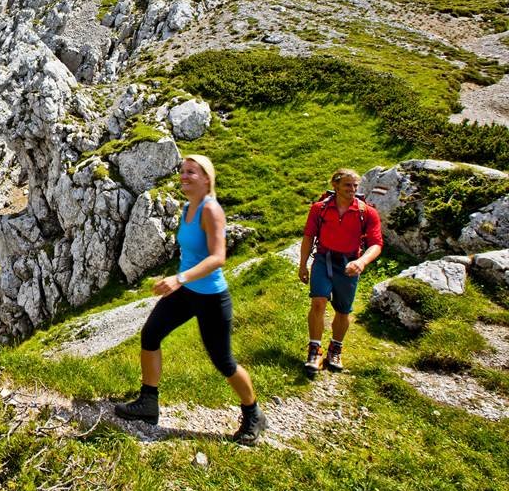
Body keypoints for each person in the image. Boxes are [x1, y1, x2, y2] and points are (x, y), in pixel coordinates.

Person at [114, 155, 267, 445]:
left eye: (191, 172)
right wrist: (178, 278)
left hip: (210, 297)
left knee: (223, 361)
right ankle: (148, 402)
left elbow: (218, 257)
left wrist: (179, 279)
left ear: (207, 178)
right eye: (183, 171)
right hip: (185, 292)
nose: (184, 176)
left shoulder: (211, 210)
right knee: (150, 334)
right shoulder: (188, 208)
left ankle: (253, 414)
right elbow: (191, 253)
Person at [299, 168, 383, 375]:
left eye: (355, 186)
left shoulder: (367, 212)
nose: (352, 189)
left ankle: (335, 349)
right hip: (323, 259)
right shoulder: (319, 209)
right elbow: (309, 237)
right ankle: (314, 351)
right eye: (347, 185)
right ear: (335, 185)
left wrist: (361, 262)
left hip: (350, 263)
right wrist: (302, 265)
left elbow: (376, 244)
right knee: (318, 301)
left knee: (343, 310)